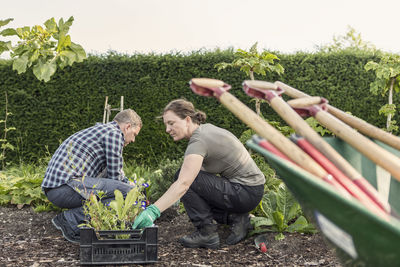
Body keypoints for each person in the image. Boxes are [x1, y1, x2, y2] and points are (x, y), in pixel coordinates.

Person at [133, 99, 265, 249]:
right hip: (250, 191)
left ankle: (206, 233)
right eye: (166, 124)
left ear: (187, 120)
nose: (167, 129)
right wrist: (177, 196)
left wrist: (153, 211)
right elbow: (199, 180)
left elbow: (184, 183)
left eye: (171, 123)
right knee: (189, 185)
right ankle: (237, 218)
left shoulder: (199, 141)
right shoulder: (206, 130)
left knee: (183, 180)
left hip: (245, 192)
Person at [41, 109, 142, 243]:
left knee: (123, 190)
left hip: (57, 189)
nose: (133, 140)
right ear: (127, 126)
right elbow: (115, 178)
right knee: (126, 192)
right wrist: (134, 193)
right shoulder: (114, 134)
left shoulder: (103, 131)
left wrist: (127, 183)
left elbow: (112, 173)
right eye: (134, 134)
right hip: (65, 188)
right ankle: (69, 220)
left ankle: (73, 219)